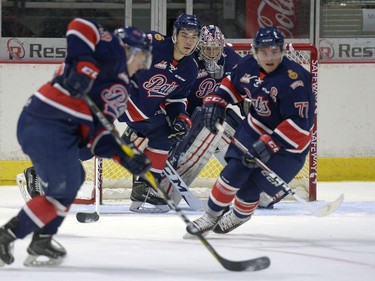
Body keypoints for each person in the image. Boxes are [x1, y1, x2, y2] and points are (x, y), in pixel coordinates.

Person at [0, 18, 153, 267]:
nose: (142, 66)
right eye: (142, 58)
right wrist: (84, 65)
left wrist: (125, 156)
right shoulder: (109, 49)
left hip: (59, 132)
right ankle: (6, 236)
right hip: (45, 121)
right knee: (64, 186)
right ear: (130, 50)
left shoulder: (121, 88)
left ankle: (43, 237)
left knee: (73, 181)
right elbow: (79, 25)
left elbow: (98, 136)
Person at [186, 26, 315, 236]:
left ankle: (239, 216)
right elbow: (231, 85)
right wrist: (217, 101)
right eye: (264, 52)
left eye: (274, 51)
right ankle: (210, 216)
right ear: (255, 52)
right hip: (256, 128)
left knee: (251, 189)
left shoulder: (296, 80)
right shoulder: (247, 65)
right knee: (232, 173)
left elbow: (301, 124)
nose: (270, 57)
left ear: (282, 51)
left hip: (289, 146)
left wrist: (269, 144)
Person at [119, 13, 202, 213]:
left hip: (141, 111)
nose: (189, 41)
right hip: (117, 96)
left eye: (193, 36)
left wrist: (180, 117)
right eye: (184, 35)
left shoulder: (190, 68)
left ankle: (145, 186)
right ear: (174, 35)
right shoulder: (155, 44)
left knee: (165, 136)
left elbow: (176, 99)